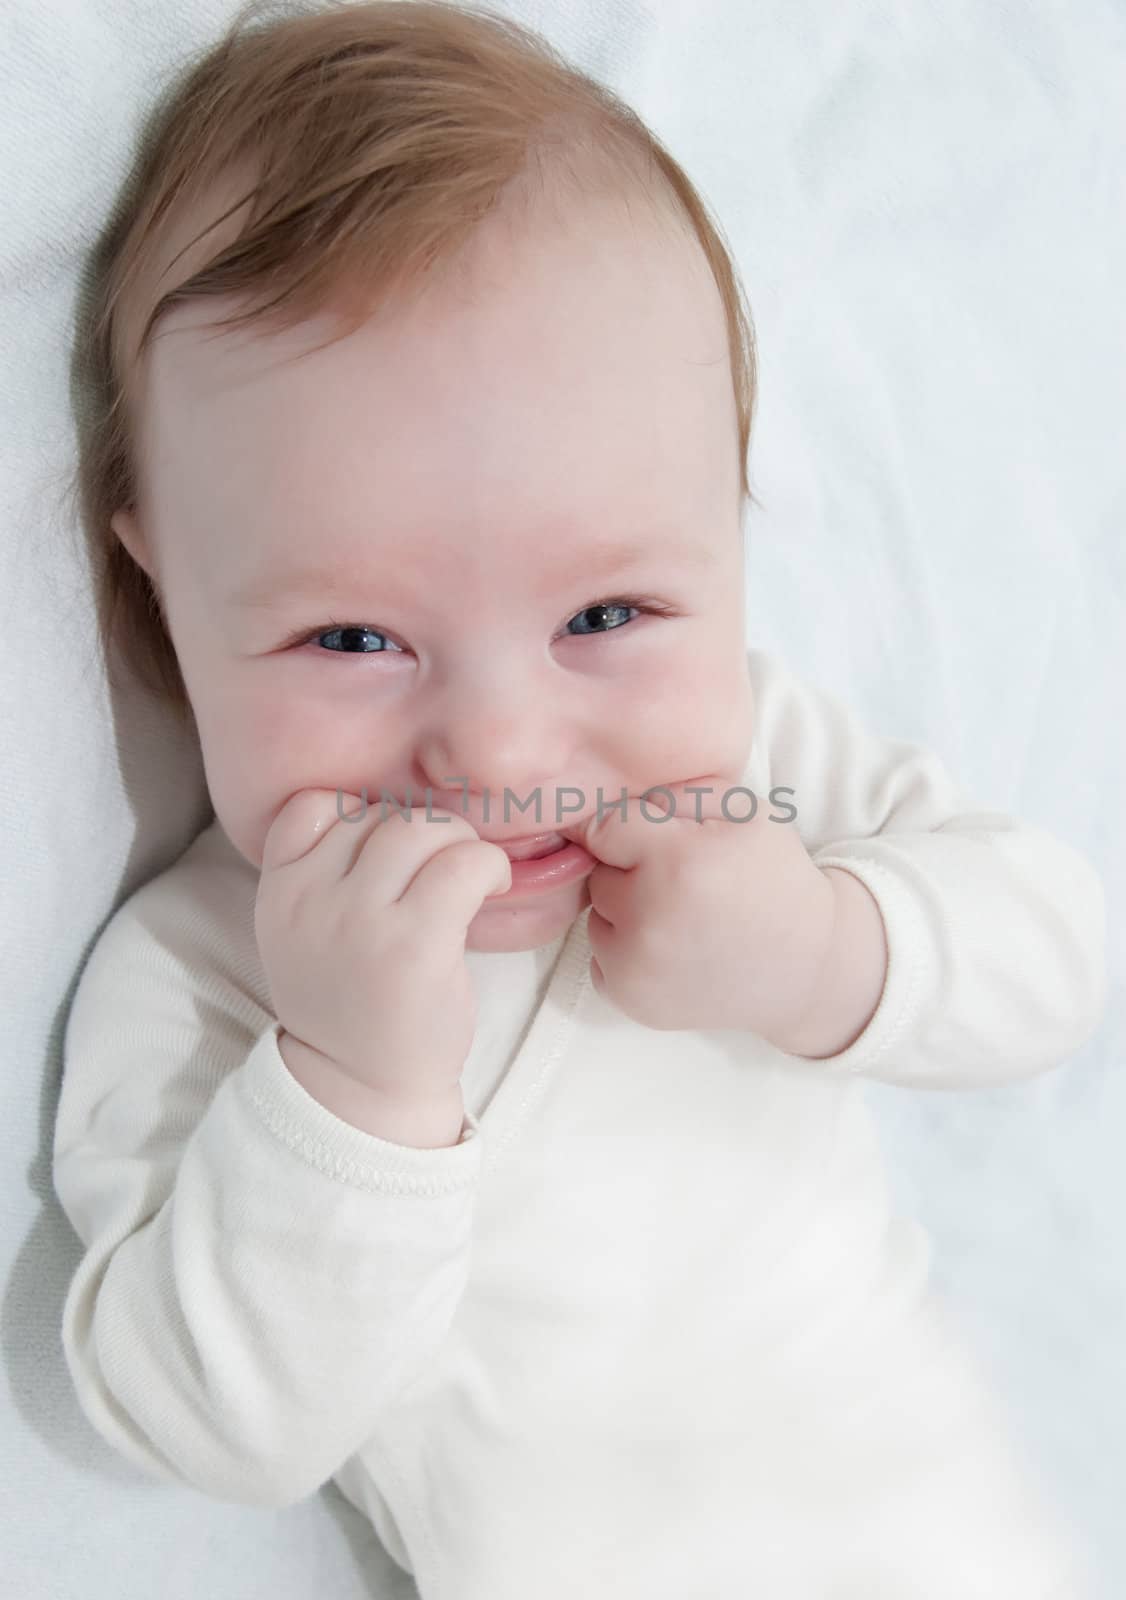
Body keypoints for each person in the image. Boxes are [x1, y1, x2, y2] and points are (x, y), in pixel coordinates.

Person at [54, 2, 1105, 1593]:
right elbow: (200, 1426)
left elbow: (1053, 956)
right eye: (351, 638)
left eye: (604, 618)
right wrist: (350, 1095)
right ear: (163, 588)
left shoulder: (743, 786)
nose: (495, 748)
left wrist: (825, 947)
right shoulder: (213, 972)